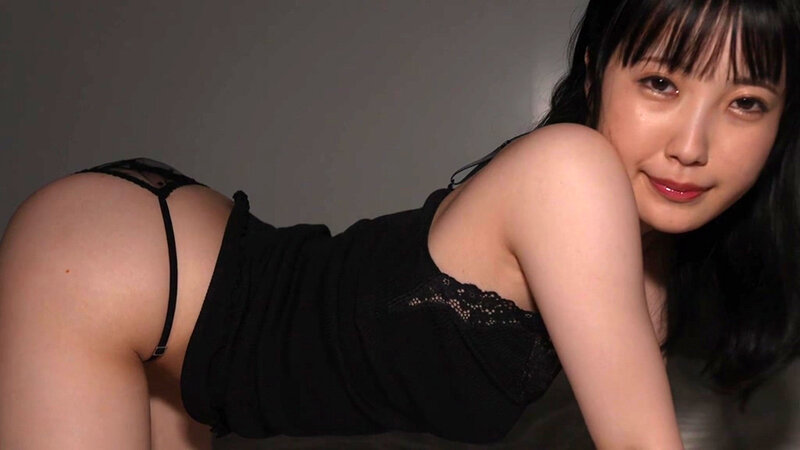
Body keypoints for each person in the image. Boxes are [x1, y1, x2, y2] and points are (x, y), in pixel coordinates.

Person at [1, 0, 797, 448]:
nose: (692, 145)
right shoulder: (571, 170)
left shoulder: (664, 265)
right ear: (595, 72)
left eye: (746, 103)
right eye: (661, 83)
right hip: (117, 269)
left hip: (203, 330)